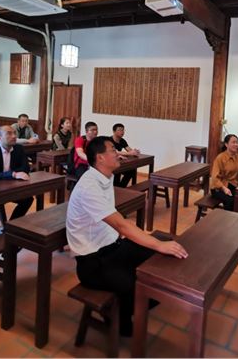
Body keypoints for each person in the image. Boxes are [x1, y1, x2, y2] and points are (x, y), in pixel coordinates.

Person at [66, 136, 188, 337]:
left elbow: (117, 223)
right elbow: (121, 224)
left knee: (159, 257)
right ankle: (119, 319)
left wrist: (156, 244)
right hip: (92, 261)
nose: (118, 154)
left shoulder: (105, 176)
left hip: (112, 246)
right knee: (135, 283)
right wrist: (157, 244)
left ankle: (129, 307)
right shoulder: (89, 186)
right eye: (113, 150)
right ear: (100, 158)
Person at [109, 123, 140, 188]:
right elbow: (115, 152)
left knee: (131, 171)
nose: (122, 132)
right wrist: (131, 153)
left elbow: (129, 149)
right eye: (120, 130)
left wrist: (135, 151)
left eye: (123, 130)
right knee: (117, 175)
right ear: (114, 131)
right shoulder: (109, 140)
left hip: (119, 163)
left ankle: (121, 187)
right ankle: (118, 188)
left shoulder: (122, 140)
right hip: (110, 164)